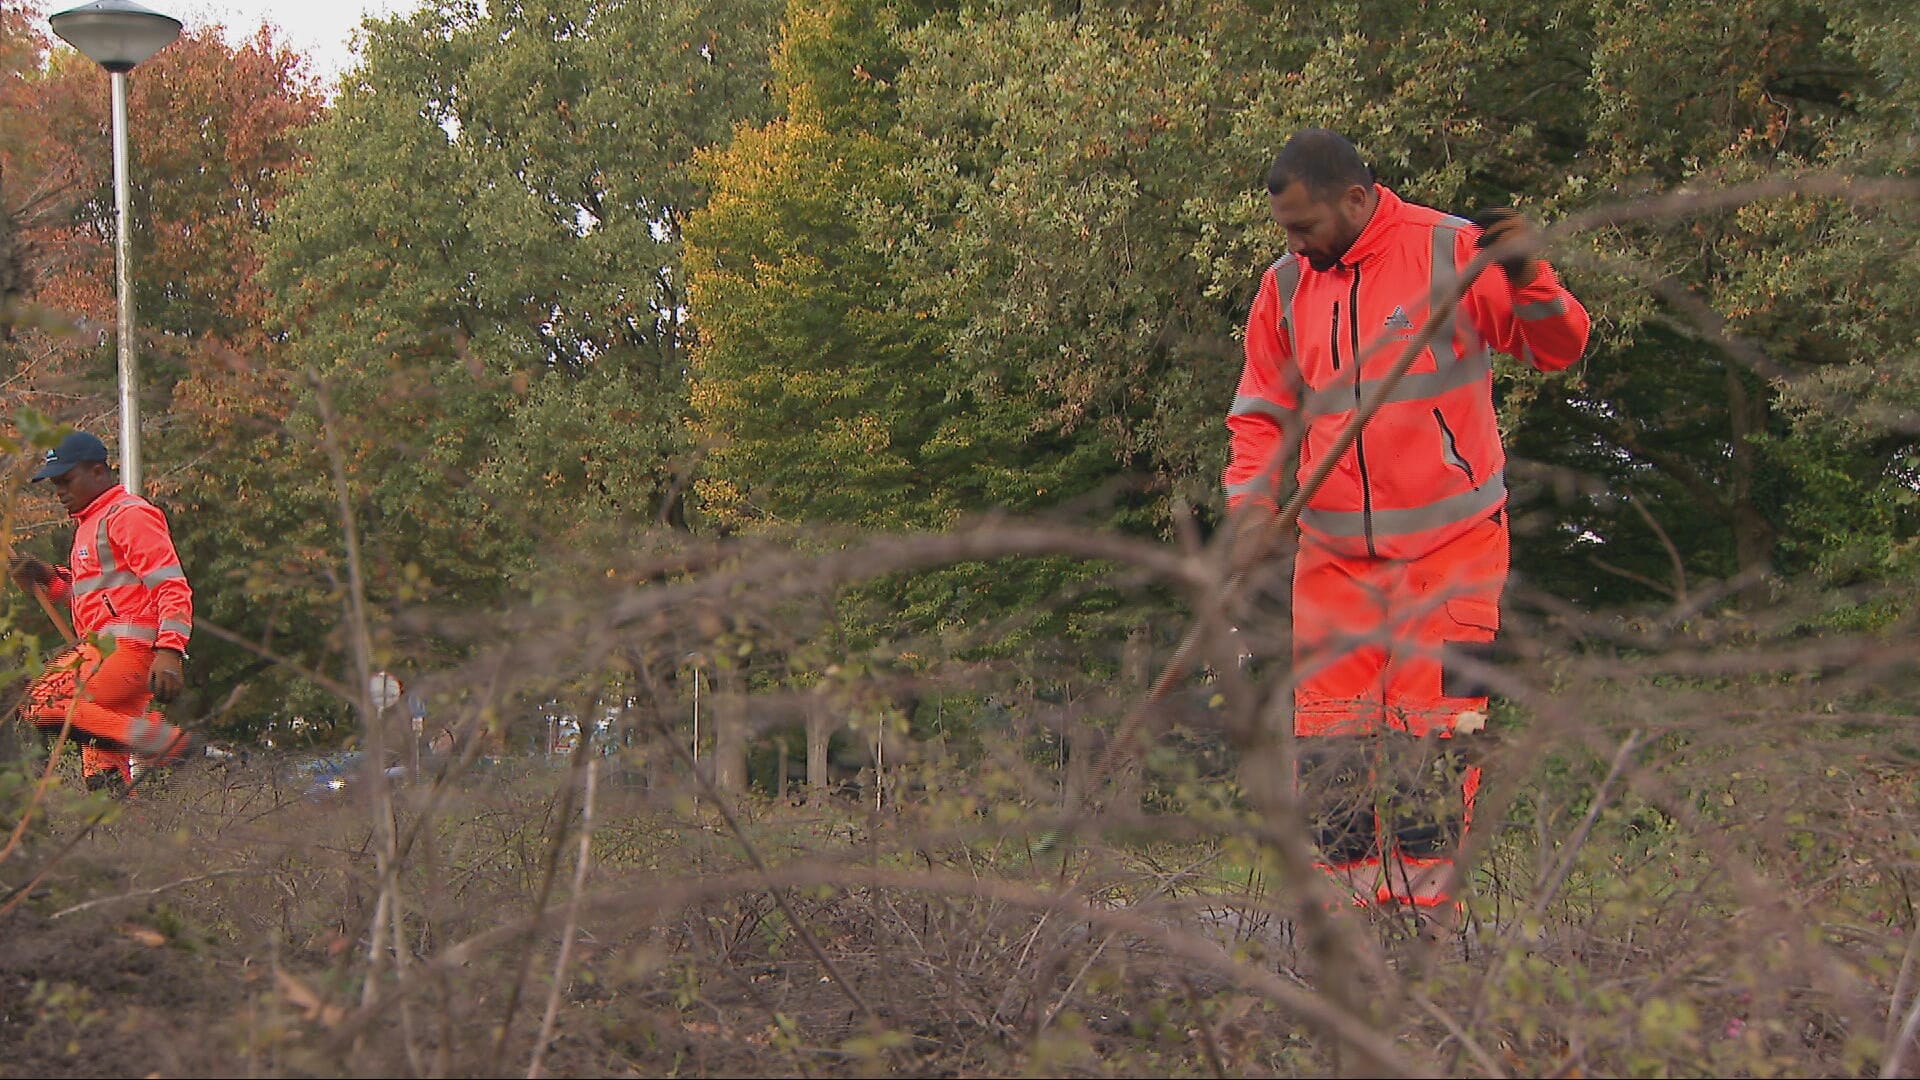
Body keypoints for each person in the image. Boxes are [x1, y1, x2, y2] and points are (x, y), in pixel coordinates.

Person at [1224, 129, 1590, 925]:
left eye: (1304, 226)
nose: (1293, 243)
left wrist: (1528, 278)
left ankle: (1425, 937)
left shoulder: (1452, 253)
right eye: (1284, 229)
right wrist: (1252, 509)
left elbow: (1558, 347)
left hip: (1451, 554)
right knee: (1332, 757)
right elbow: (1259, 415)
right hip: (1335, 564)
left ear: (1355, 200)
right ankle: (1348, 945)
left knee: (1432, 750)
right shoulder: (1286, 288)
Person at [10, 430, 196, 795]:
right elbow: (92, 598)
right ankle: (128, 837)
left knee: (38, 703)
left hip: (126, 651)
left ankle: (170, 744)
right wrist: (48, 579)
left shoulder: (129, 515)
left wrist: (171, 650)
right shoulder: (88, 525)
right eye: (55, 484)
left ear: (98, 472)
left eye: (67, 480)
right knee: (104, 780)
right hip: (107, 651)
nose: (60, 492)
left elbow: (171, 585)